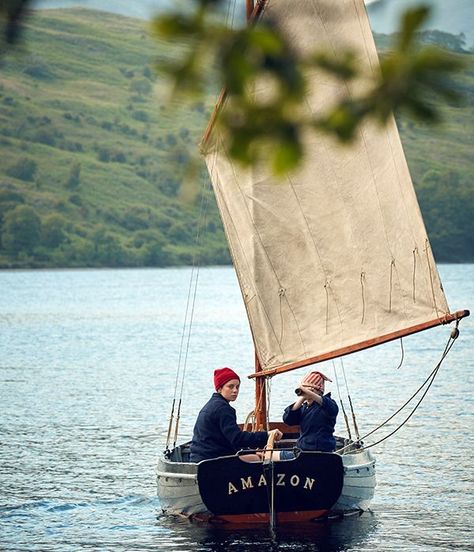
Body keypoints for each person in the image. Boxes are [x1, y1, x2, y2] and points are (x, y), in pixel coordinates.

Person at [189, 367, 282, 463]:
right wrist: (267, 435)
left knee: (253, 455)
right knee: (258, 459)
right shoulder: (223, 409)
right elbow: (237, 439)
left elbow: (231, 439)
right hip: (214, 462)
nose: (235, 390)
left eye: (237, 387)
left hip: (199, 460)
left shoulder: (211, 405)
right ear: (220, 388)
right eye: (230, 386)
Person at [278, 370, 338, 460]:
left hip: (319, 453)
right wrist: (302, 398)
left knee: (269, 456)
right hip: (302, 452)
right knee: (264, 455)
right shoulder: (304, 408)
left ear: (318, 391)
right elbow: (288, 420)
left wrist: (311, 393)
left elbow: (327, 405)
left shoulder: (328, 405)